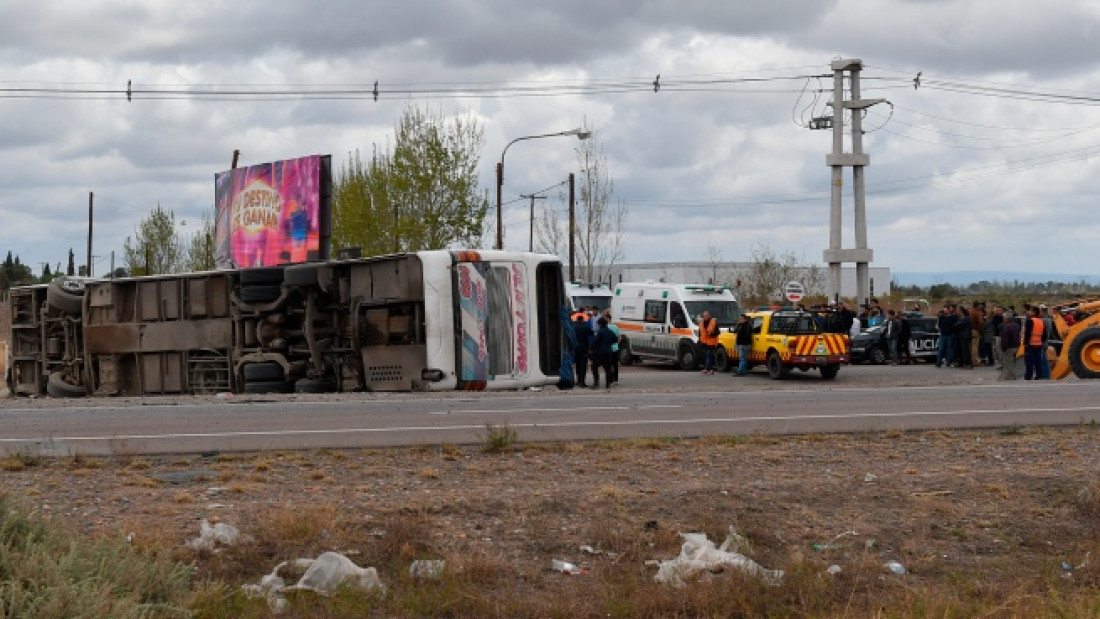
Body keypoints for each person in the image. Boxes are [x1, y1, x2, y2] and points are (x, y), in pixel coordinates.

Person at [590, 317, 617, 389]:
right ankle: (608, 384)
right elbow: (615, 340)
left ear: (599, 324)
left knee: (594, 367)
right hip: (608, 352)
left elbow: (595, 341)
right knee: (608, 369)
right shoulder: (610, 331)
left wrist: (591, 348)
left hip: (600, 353)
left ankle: (596, 383)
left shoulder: (600, 332)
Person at [572, 312, 594, 387]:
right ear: (583, 319)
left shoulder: (573, 326)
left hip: (576, 347)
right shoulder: (585, 326)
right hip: (584, 347)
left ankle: (578, 380)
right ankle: (582, 382)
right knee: (583, 365)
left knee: (577, 364)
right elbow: (592, 333)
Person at [1023, 306, 1045, 380]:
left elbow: (1027, 333)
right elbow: (1044, 334)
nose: (1029, 312)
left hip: (1031, 344)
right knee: (1038, 361)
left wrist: (1025, 343)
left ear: (1034, 312)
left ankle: (1028, 376)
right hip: (1038, 344)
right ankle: (1039, 375)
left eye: (1031, 311)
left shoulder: (1030, 321)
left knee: (1029, 361)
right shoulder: (1041, 321)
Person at [998, 310, 1020, 381]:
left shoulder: (1006, 327)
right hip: (1016, 346)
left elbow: (1005, 338)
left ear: (1006, 319)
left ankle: (1011, 376)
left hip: (1009, 347)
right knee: (1013, 362)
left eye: (1004, 318)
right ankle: (1010, 375)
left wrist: (1003, 347)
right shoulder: (1016, 325)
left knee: (1008, 363)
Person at [602, 309, 621, 385]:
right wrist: (617, 344)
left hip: (608, 348)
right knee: (615, 364)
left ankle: (610, 379)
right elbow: (619, 337)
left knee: (608, 364)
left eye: (605, 318)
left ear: (608, 318)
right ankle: (615, 378)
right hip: (615, 348)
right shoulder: (615, 327)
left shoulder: (606, 327)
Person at [698, 310, 719, 375]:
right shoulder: (701, 323)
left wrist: (711, 334)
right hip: (704, 342)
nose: (705, 317)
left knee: (709, 355)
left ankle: (710, 369)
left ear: (709, 316)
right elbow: (700, 332)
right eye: (704, 316)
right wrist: (699, 340)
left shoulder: (713, 322)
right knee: (706, 355)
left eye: (706, 315)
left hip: (711, 342)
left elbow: (718, 332)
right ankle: (707, 368)